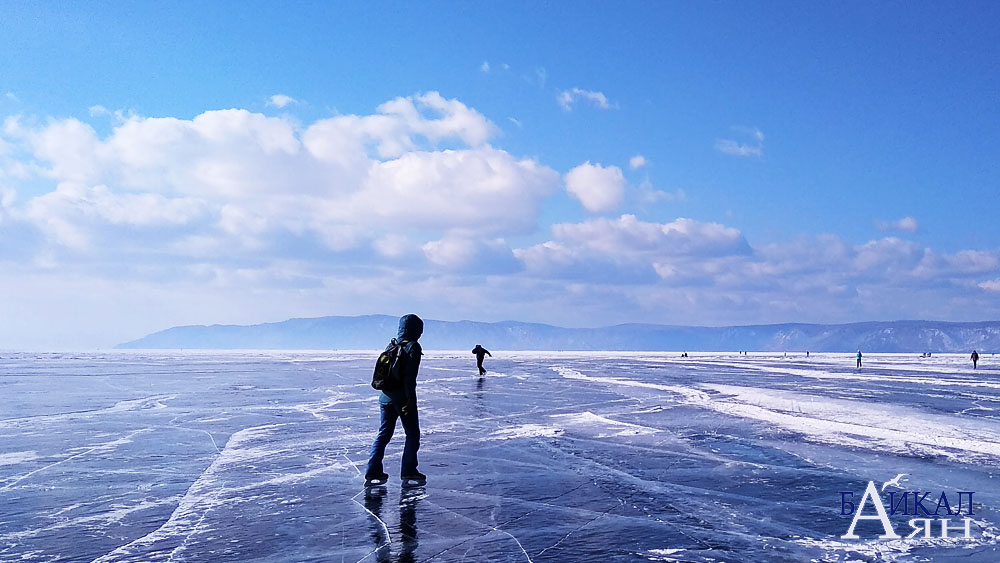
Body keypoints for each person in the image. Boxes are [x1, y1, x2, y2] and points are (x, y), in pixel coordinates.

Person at [366, 314, 425, 487]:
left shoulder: (391, 345)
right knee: (412, 434)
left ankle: (372, 471)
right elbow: (409, 378)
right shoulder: (413, 347)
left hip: (385, 398)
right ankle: (409, 471)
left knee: (383, 434)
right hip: (402, 399)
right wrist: (409, 400)